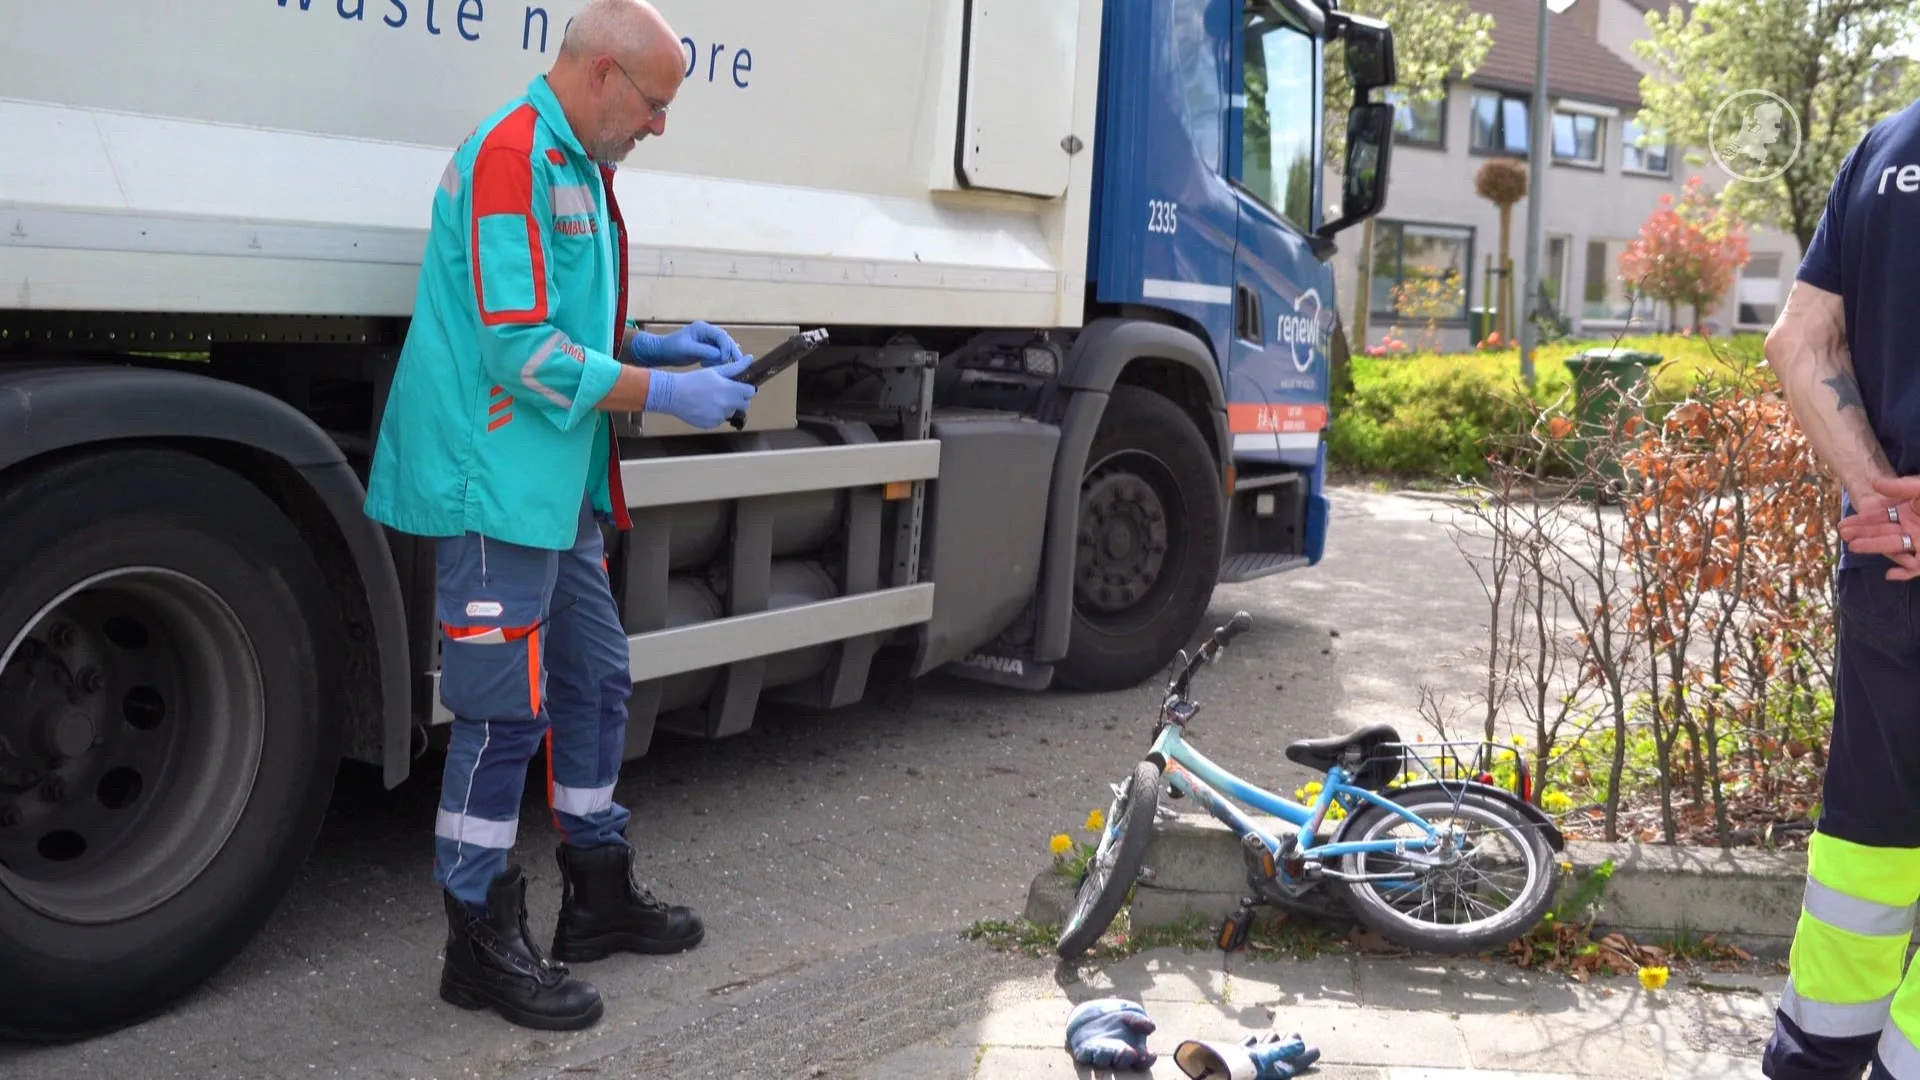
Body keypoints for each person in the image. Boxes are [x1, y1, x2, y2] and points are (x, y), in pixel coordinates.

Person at [361, 0, 758, 1032]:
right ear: (599, 76)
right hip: (493, 481)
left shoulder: (578, 162)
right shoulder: (512, 158)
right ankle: (478, 940)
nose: (660, 127)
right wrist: (662, 394)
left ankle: (597, 892)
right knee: (500, 715)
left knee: (594, 680)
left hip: (554, 483)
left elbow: (569, 315)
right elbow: (520, 353)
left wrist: (658, 346)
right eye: (656, 104)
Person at [1762, 101, 1920, 1079]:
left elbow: (1800, 340)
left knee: (1864, 866)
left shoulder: (1890, 146)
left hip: (1890, 584)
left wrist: (1884, 499)